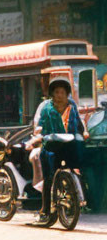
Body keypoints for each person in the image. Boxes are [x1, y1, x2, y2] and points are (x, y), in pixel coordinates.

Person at [29, 79, 88, 225]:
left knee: (78, 169)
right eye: (57, 92)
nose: (60, 95)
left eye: (62, 92)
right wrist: (38, 134)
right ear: (52, 94)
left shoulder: (72, 106)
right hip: (51, 145)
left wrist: (84, 133)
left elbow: (79, 124)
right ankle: (45, 210)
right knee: (49, 178)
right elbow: (40, 125)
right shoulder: (46, 108)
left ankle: (78, 199)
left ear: (67, 94)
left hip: (69, 143)